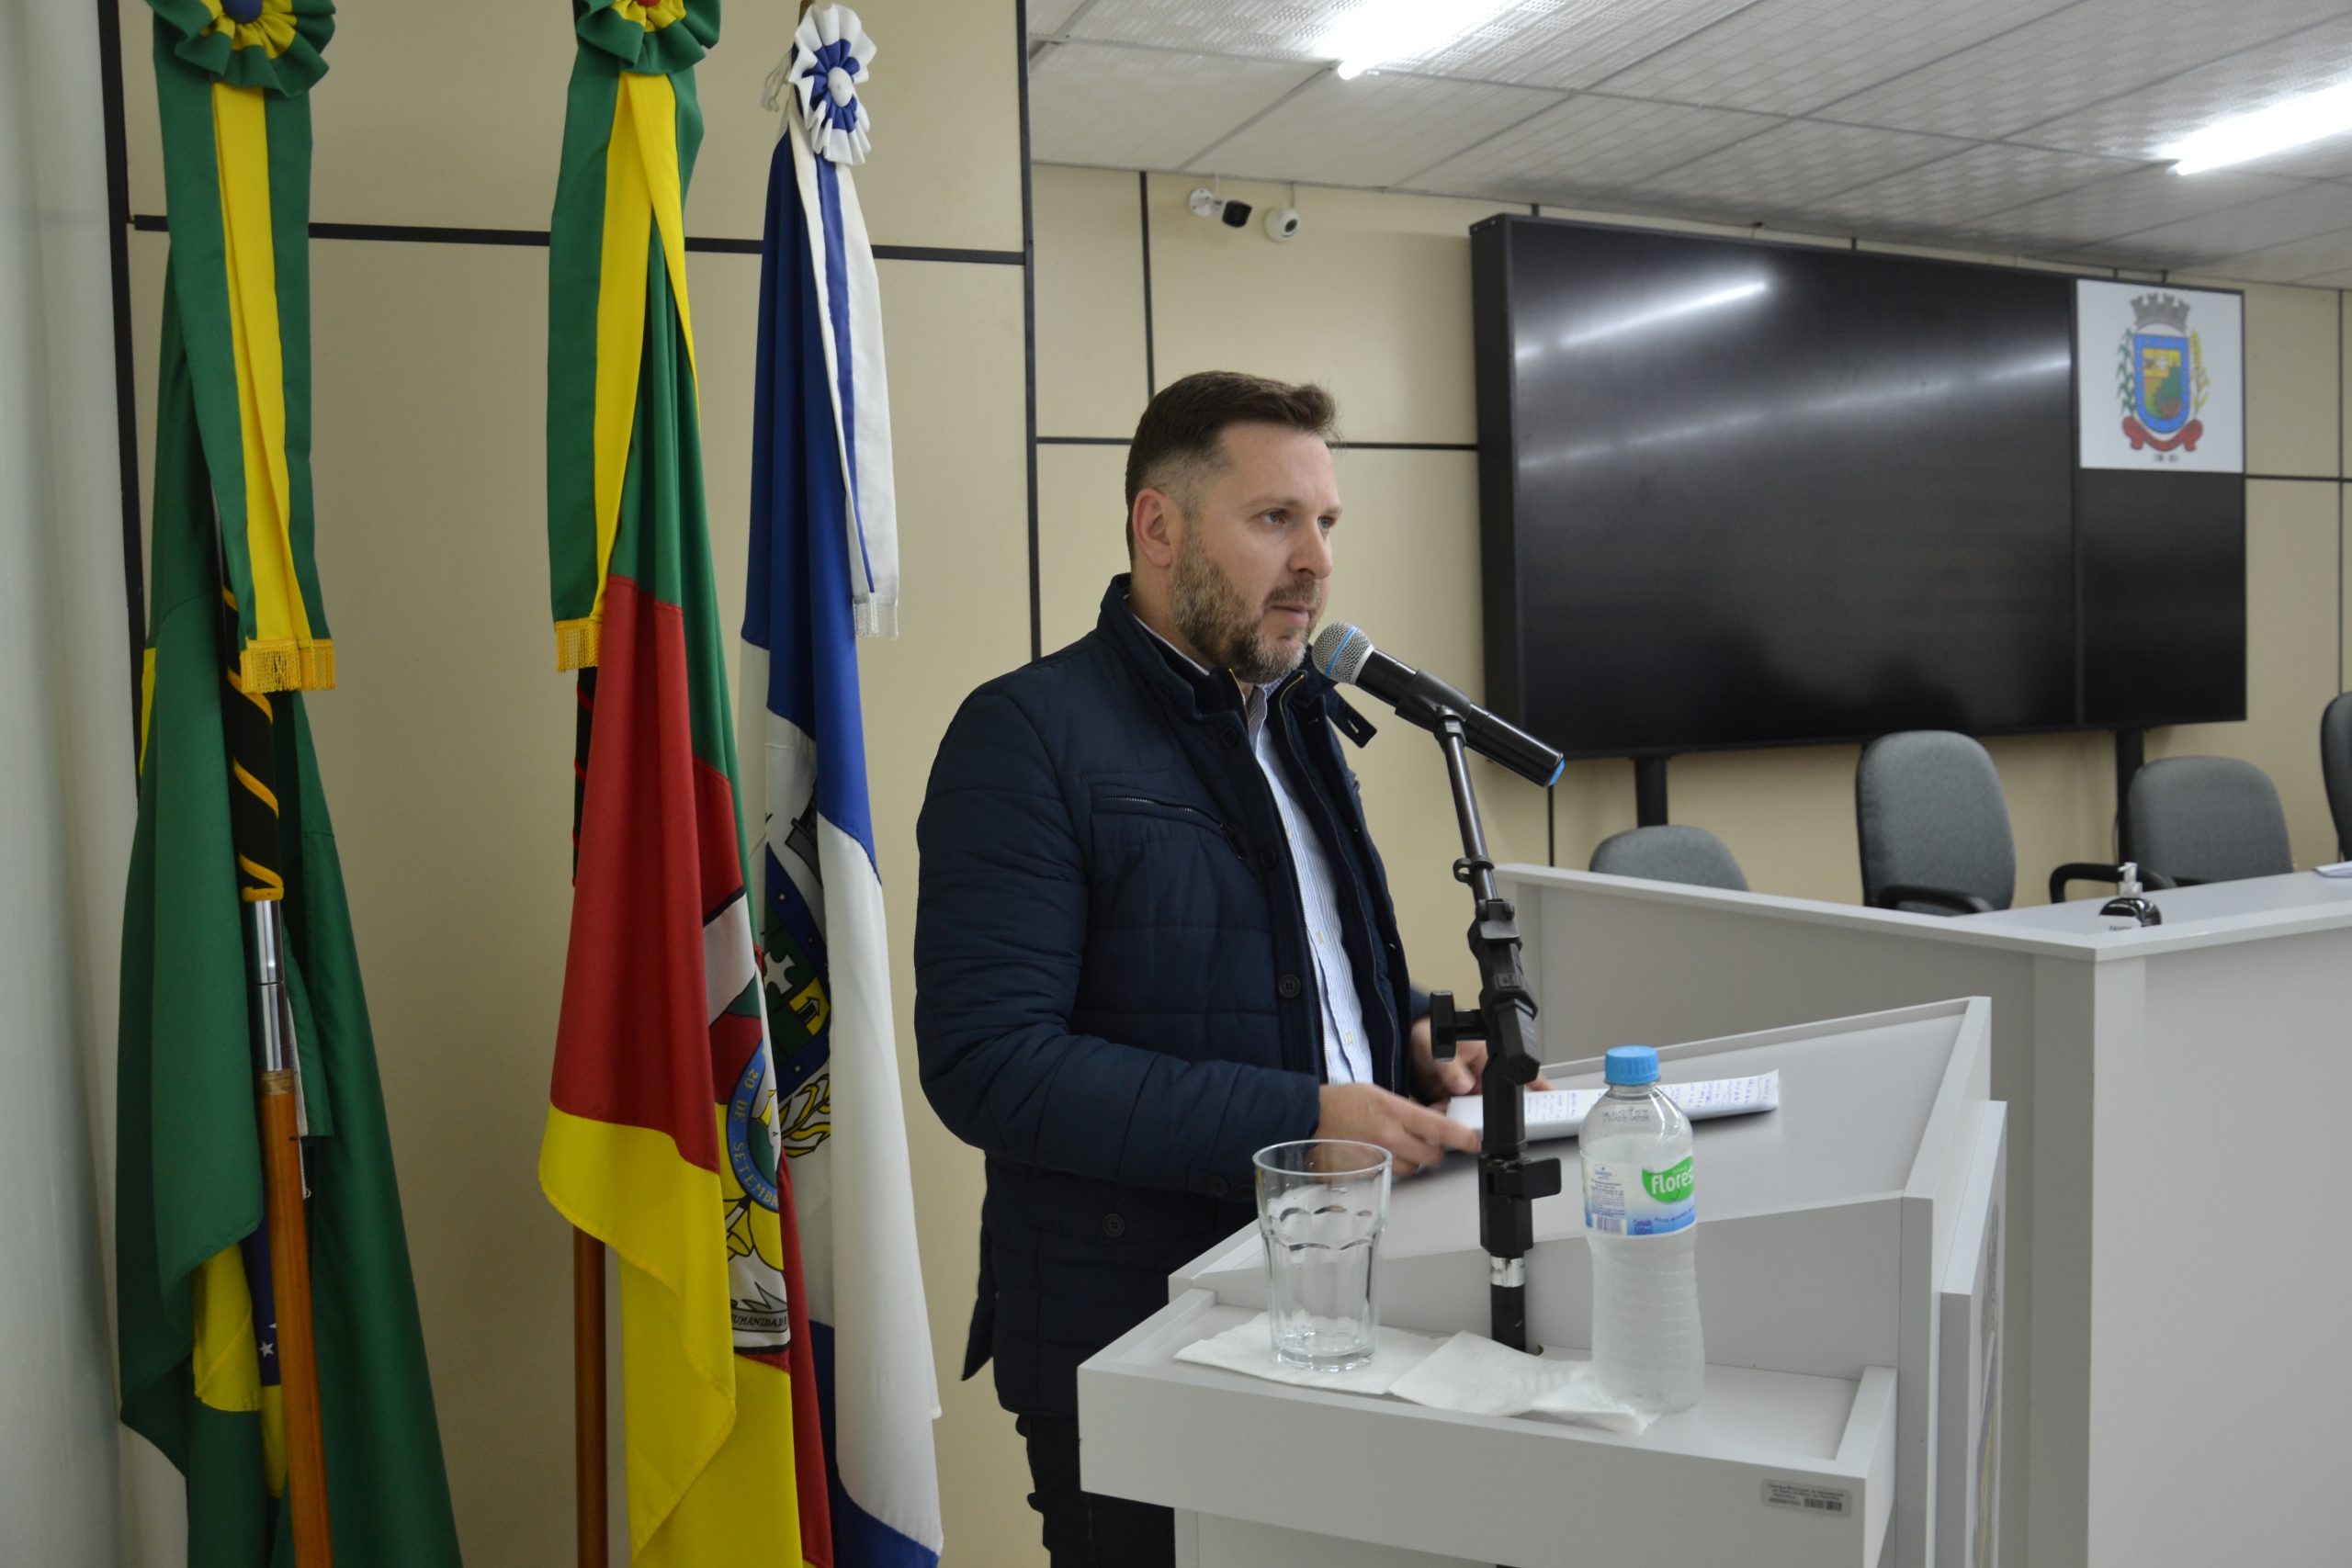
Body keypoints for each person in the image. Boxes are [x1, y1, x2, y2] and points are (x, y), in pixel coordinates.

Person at [914, 371, 1507, 1567]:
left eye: (1325, 522)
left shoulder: (1297, 724)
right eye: (1275, 518)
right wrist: (1304, 1119)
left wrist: (1410, 1044)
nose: (1315, 561)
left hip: (1336, 1305)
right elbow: (991, 1065)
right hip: (1141, 1338)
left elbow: (1286, 973)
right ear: (1159, 527)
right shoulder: (1026, 735)